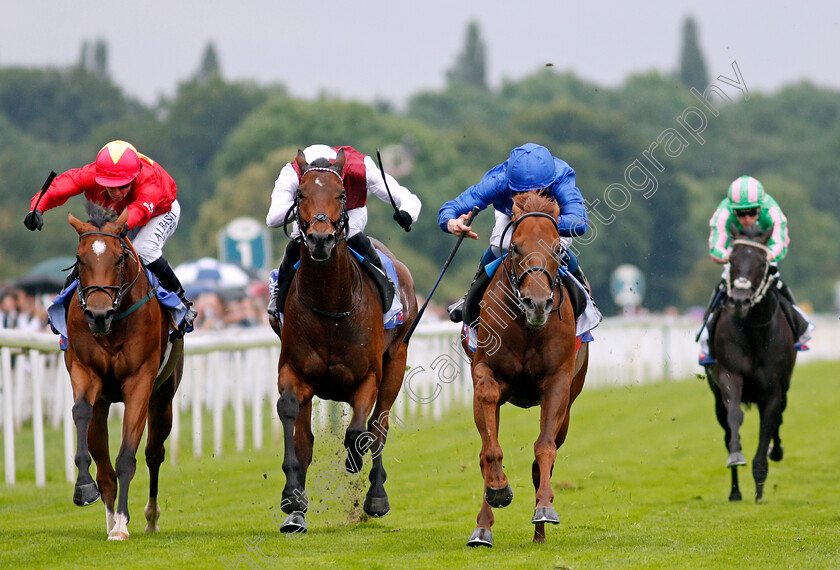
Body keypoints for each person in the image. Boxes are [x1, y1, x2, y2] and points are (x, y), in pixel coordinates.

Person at [23, 140, 197, 333]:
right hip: (120, 215)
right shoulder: (91, 174)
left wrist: (123, 225)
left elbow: (139, 210)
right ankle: (65, 303)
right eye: (110, 186)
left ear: (134, 178)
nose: (116, 192)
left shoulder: (149, 180)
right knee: (96, 249)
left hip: (160, 212)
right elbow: (59, 187)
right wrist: (36, 208)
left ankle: (182, 301)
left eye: (122, 186)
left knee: (143, 249)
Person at [438, 143, 592, 324]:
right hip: (513, 217)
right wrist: (451, 222)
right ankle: (470, 296)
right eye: (522, 192)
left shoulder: (561, 176)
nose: (530, 196)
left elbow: (579, 223)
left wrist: (543, 224)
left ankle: (584, 293)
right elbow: (450, 208)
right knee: (499, 245)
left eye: (538, 191)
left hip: (551, 219)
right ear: (511, 185)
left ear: (550, 183)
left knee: (559, 248)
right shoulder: (498, 180)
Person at [266, 144, 422, 319]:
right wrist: (311, 204)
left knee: (350, 231)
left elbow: (401, 194)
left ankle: (387, 286)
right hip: (310, 216)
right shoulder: (292, 172)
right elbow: (272, 218)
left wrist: (407, 212)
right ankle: (279, 294)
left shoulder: (361, 167)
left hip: (351, 210)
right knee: (297, 236)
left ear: (340, 168)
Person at [698, 175, 813, 364]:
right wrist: (729, 257)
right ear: (732, 209)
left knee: (778, 285)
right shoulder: (723, 212)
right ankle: (705, 338)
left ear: (760, 207)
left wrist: (764, 257)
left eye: (752, 212)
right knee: (721, 288)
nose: (747, 218)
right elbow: (715, 247)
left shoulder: (772, 211)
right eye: (740, 214)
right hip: (736, 259)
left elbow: (780, 242)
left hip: (762, 258)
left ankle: (801, 328)